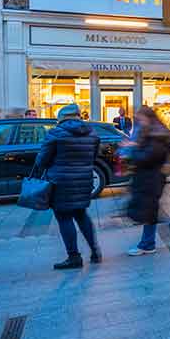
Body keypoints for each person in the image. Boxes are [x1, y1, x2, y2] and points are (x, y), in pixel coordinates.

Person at [34, 104, 101, 270]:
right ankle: (95, 251)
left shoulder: (55, 133)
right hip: (84, 180)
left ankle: (74, 257)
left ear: (61, 118)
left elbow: (41, 161)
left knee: (64, 218)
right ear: (78, 116)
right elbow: (94, 157)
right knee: (81, 214)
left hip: (61, 183)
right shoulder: (92, 133)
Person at [126, 106, 170, 256]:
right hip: (149, 178)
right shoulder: (153, 132)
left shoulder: (157, 135)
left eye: (140, 119)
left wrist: (134, 149)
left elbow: (148, 157)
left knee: (149, 211)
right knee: (149, 210)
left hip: (152, 179)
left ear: (148, 118)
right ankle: (148, 243)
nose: (139, 123)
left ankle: (147, 244)